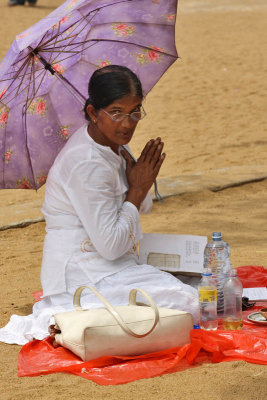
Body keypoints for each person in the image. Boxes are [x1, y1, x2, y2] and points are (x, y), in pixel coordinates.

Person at [0, 65, 199, 345]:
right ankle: (67, 317)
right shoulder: (87, 163)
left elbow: (140, 208)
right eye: (116, 112)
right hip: (83, 272)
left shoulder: (110, 145)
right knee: (188, 301)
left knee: (200, 283)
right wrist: (138, 189)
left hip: (110, 261)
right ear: (93, 113)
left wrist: (135, 185)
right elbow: (112, 245)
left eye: (135, 111)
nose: (128, 123)